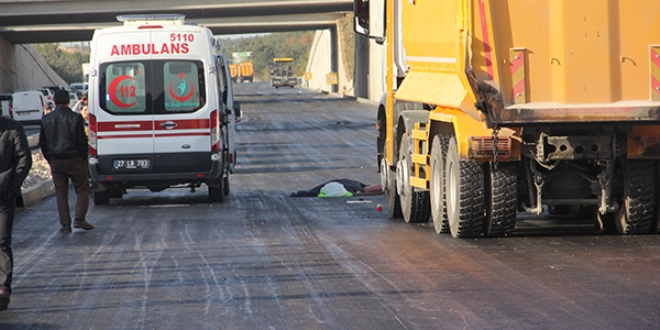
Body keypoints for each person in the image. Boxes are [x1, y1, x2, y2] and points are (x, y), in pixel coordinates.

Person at [39, 90, 94, 233]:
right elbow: (82, 141)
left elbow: (43, 143)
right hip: (75, 159)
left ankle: (65, 223)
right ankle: (79, 219)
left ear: (54, 102)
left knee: (61, 192)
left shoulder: (46, 119)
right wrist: (83, 157)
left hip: (56, 161)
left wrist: (50, 159)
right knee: (82, 188)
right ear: (68, 101)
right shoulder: (75, 118)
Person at [0, 115, 32, 310]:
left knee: (2, 242)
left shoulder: (12, 128)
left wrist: (12, 187)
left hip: (3, 196)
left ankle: (3, 289)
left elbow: (24, 159)